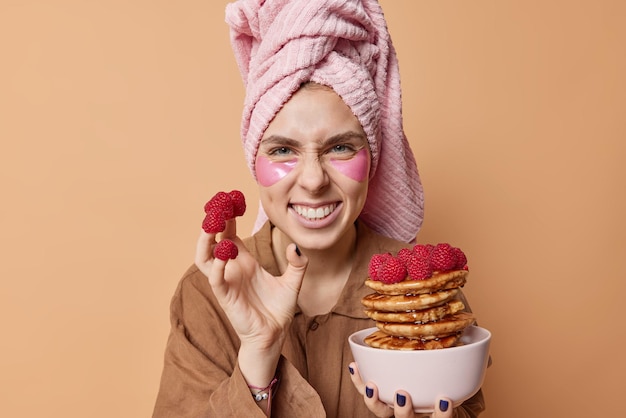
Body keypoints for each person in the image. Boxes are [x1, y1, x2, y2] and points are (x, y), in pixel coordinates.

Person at [153, 1, 485, 417]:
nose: (313, 180)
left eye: (341, 147)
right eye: (283, 150)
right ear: (254, 160)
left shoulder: (426, 294)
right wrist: (258, 353)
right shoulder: (209, 293)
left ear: (374, 158)